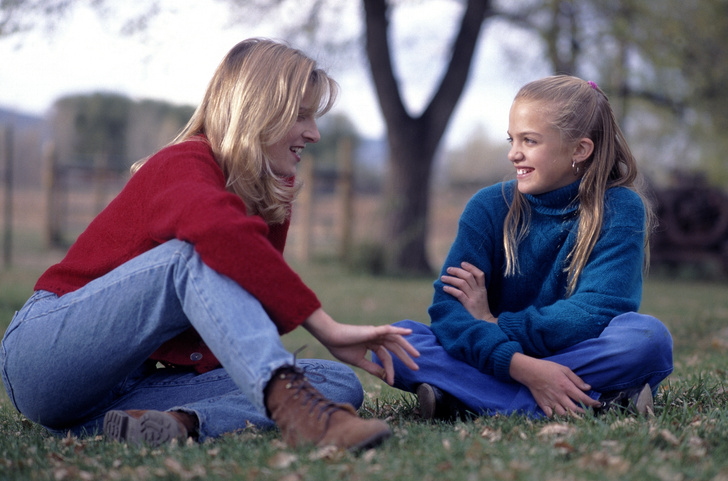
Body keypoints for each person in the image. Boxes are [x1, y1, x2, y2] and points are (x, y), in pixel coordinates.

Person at [0, 38, 419, 450]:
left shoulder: (268, 197)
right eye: (302, 116)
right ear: (259, 110)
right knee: (191, 255)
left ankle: (179, 423)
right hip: (45, 355)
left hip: (127, 387)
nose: (314, 133)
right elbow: (216, 233)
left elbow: (243, 318)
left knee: (334, 382)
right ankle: (302, 416)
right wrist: (325, 325)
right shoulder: (183, 163)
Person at [375, 75, 673, 420]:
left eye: (529, 141)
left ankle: (468, 400)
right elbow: (449, 312)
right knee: (397, 342)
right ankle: (597, 400)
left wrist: (492, 321)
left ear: (579, 149)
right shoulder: (487, 207)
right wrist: (523, 368)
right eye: (511, 139)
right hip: (499, 356)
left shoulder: (619, 207)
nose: (513, 153)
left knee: (648, 338)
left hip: (574, 351)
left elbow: (597, 311)